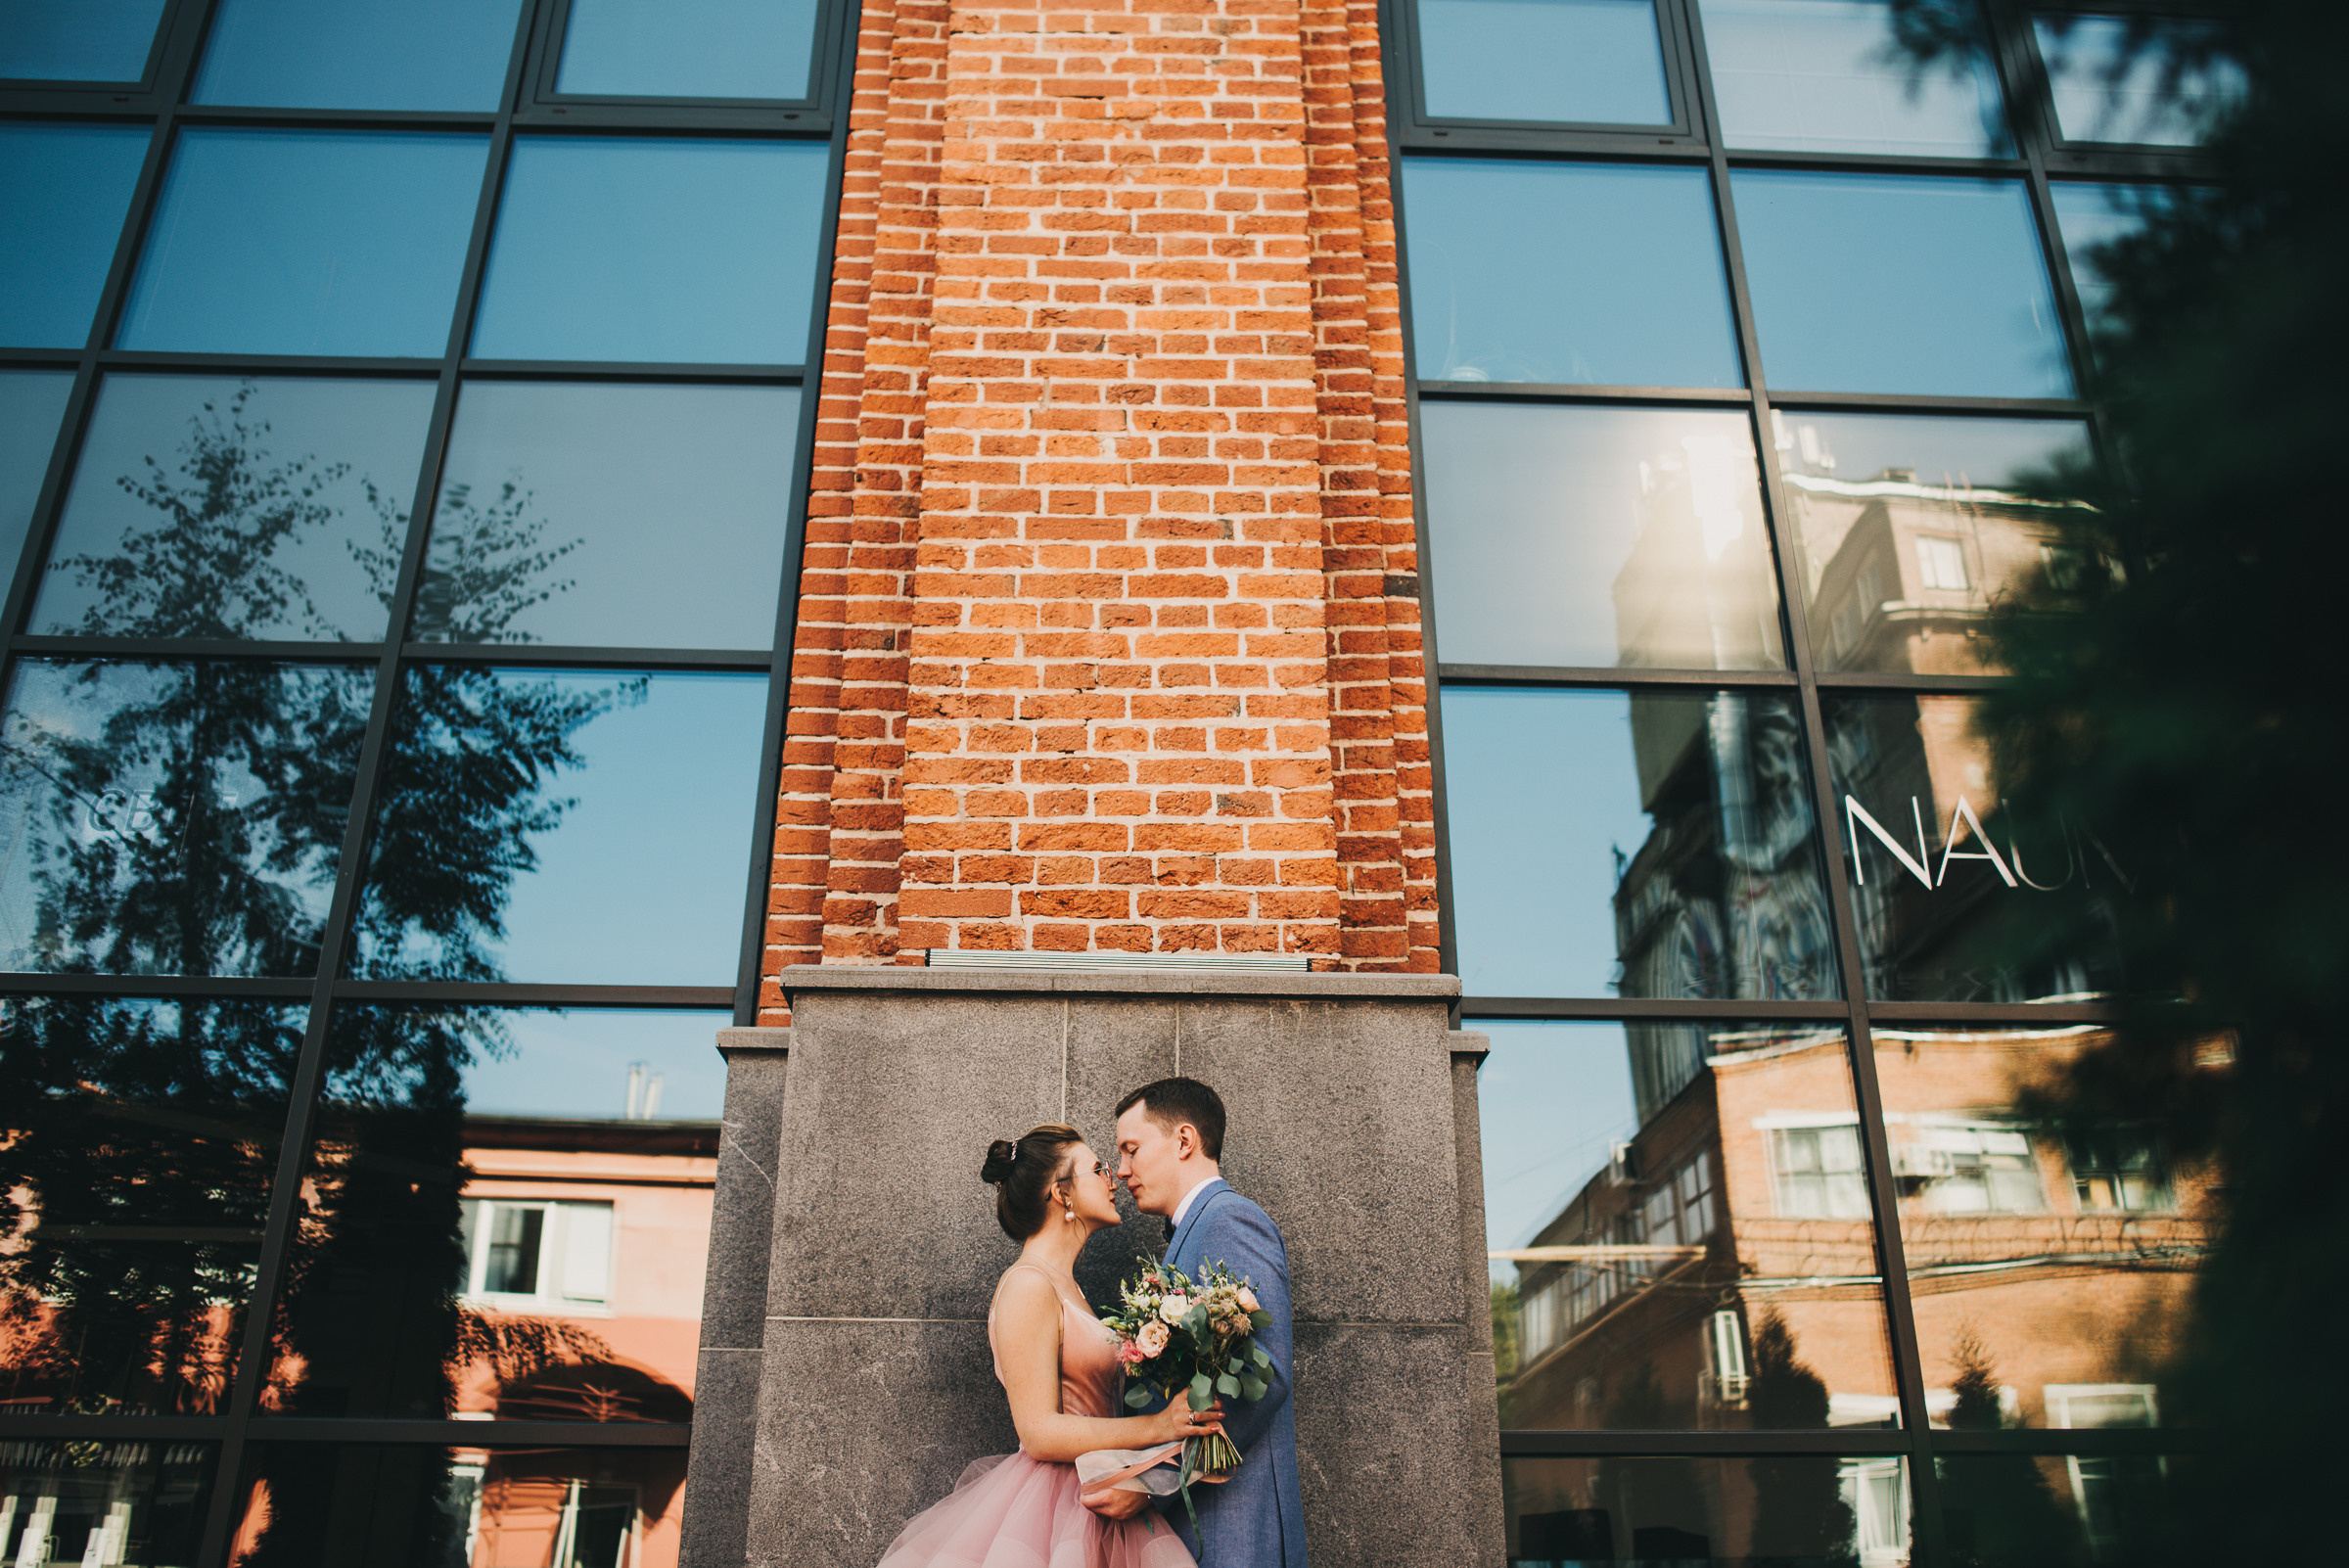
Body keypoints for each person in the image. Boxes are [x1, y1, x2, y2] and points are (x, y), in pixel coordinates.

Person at [875, 1123, 1218, 1568]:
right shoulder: (1028, 1285)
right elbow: (1038, 1432)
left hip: (1098, 1493)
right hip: (1054, 1506)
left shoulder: (1065, 1286)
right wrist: (1159, 1426)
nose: (1113, 1179)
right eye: (1098, 1169)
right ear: (1062, 1193)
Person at [1097, 1079, 1308, 1568]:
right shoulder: (1196, 1228)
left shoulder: (1230, 1220)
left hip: (1235, 1527)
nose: (1122, 1170)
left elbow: (1265, 1376)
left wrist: (1151, 1482)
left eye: (1131, 1149)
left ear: (1185, 1141)